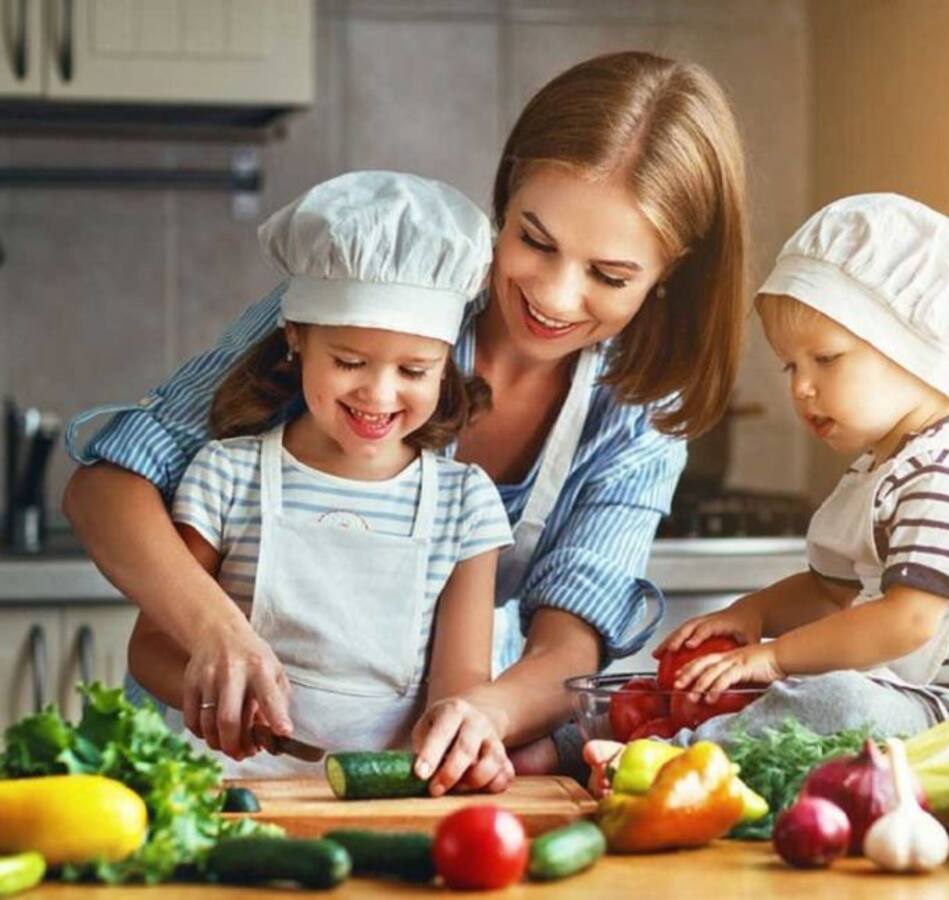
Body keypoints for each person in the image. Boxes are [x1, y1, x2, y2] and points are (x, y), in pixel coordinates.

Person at [61, 51, 748, 791]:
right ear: (507, 192)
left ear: (670, 269)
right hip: (201, 758)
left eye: (609, 276)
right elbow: (106, 489)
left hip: (391, 772)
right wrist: (219, 637)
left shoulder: (637, 415)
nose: (553, 294)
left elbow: (565, 648)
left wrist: (480, 717)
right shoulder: (373, 291)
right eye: (533, 240)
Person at [126, 171, 515, 783]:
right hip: (231, 788)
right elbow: (150, 648)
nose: (379, 394)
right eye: (350, 362)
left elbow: (461, 685)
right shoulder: (228, 476)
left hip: (383, 798)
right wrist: (217, 698)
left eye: (415, 369)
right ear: (296, 337)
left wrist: (460, 736)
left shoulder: (465, 504)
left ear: (446, 365)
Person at [655, 193, 949, 741]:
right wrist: (753, 613)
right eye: (790, 366)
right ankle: (642, 736)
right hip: (910, 698)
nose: (801, 387)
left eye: (826, 359)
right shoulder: (884, 469)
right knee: (802, 691)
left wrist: (775, 659)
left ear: (911, 348)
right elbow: (830, 594)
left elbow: (906, 621)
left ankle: (680, 754)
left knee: (834, 698)